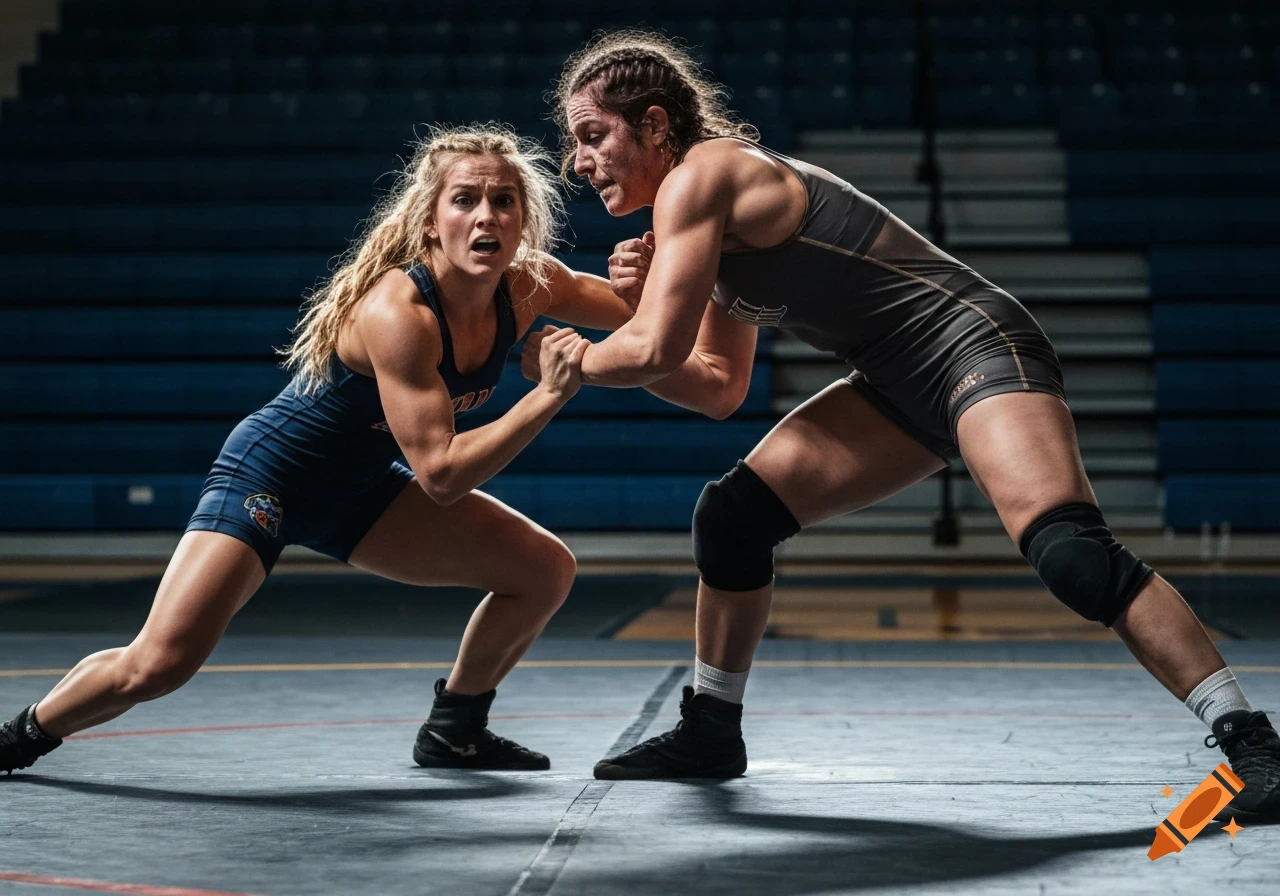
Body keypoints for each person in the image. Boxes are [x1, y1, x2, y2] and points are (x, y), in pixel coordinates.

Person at [524, 30, 1280, 819]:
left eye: (592, 136)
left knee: (1070, 551)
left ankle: (1255, 745)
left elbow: (651, 350)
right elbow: (715, 385)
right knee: (734, 516)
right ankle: (711, 728)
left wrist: (567, 352)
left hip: (974, 343)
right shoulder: (694, 224)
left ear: (652, 125)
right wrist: (639, 321)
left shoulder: (701, 176)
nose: (581, 162)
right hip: (894, 382)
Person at [0, 125, 639, 776]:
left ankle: (456, 727)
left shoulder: (529, 286)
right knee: (159, 664)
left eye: (504, 201)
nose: (486, 215)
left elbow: (644, 316)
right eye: (465, 200)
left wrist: (646, 275)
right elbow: (442, 476)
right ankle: (18, 737)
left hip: (360, 487)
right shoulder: (400, 313)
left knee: (543, 570)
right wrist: (550, 393)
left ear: (524, 221)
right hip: (273, 475)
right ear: (429, 223)